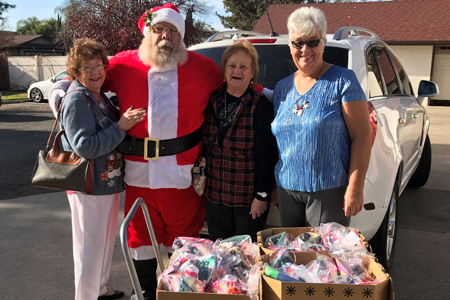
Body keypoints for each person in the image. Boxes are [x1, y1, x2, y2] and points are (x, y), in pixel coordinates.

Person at [102, 3, 224, 300]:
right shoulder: (123, 63)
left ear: (181, 36)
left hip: (182, 172)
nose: (165, 36)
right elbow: (87, 79)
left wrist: (275, 95)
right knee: (140, 235)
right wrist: (62, 92)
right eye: (159, 29)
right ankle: (143, 291)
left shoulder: (203, 67)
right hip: (137, 172)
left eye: (172, 30)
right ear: (147, 32)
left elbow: (239, 87)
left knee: (184, 237)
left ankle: (180, 291)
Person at [59, 38, 146, 300]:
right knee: (89, 247)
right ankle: (86, 296)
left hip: (105, 184)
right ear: (76, 72)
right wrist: (120, 127)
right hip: (89, 187)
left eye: (100, 65)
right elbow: (84, 146)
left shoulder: (97, 96)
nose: (97, 72)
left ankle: (99, 288)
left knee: (104, 242)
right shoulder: (77, 99)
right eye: (88, 67)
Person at [271, 7, 372, 228]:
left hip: (329, 192)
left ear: (323, 43)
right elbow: (278, 143)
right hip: (287, 191)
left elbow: (362, 136)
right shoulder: (282, 88)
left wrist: (355, 187)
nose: (304, 49)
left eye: (313, 42)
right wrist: (273, 186)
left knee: (324, 258)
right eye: (298, 43)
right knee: (292, 258)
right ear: (290, 46)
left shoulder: (343, 81)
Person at [202, 40, 278, 243]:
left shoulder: (259, 104)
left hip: (247, 201)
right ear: (224, 70)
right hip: (214, 198)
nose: (237, 71)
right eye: (232, 66)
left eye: (243, 67)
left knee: (245, 259)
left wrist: (261, 196)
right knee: (220, 257)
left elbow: (267, 155)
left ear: (252, 73)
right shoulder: (212, 101)